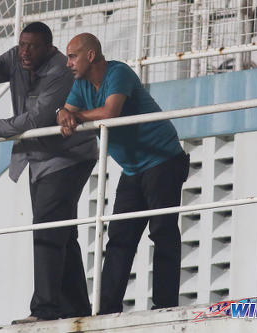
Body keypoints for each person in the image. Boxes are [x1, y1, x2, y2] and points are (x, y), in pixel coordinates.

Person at [0, 22, 98, 323]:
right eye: (22, 45)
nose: (24, 52)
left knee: (46, 229)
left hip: (69, 157)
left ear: (49, 48)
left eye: (32, 46)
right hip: (40, 158)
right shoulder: (16, 57)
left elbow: (39, 118)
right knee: (62, 233)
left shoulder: (60, 71)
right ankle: (77, 307)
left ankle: (44, 310)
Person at [57, 33, 189, 314]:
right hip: (133, 168)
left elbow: (110, 112)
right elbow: (66, 110)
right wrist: (62, 113)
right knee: (120, 236)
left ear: (90, 56)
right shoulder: (80, 85)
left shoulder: (118, 72)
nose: (68, 62)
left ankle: (165, 306)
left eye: (72, 56)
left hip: (163, 159)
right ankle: (106, 308)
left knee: (162, 231)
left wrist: (76, 116)